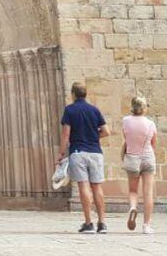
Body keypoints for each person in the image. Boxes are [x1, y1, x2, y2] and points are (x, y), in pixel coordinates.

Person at [58, 82, 109, 234]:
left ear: (73, 94)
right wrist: (94, 136)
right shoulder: (94, 110)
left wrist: (61, 153)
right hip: (95, 152)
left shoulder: (70, 110)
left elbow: (66, 133)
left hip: (78, 151)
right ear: (85, 94)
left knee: (83, 186)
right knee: (97, 187)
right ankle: (102, 223)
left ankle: (89, 223)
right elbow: (106, 131)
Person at [121, 96, 157, 235]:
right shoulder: (150, 124)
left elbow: (126, 138)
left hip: (132, 157)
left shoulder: (125, 121)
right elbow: (154, 143)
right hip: (148, 157)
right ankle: (147, 225)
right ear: (144, 108)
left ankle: (133, 207)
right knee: (148, 193)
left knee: (133, 190)